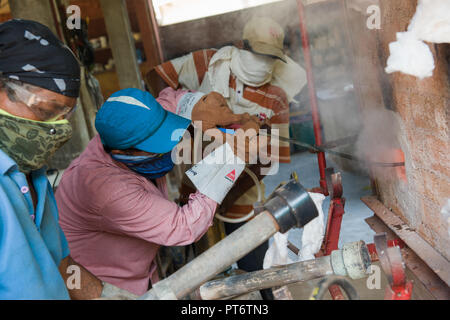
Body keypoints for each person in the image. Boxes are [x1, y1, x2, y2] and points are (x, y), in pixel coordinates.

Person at [148, 16, 306, 295]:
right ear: (240, 46)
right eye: (258, 55)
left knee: (255, 272)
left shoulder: (277, 96)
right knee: (204, 275)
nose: (263, 64)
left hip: (241, 197)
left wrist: (221, 195)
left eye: (271, 59)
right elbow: (154, 78)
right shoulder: (209, 64)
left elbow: (269, 161)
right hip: (193, 188)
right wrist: (185, 112)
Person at [55, 86, 262, 296]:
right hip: (108, 287)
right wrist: (234, 157)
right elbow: (184, 226)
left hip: (145, 267)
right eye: (156, 145)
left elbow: (171, 101)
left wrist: (202, 105)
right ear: (121, 151)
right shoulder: (107, 189)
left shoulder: (135, 120)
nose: (169, 148)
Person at [0, 19, 102, 299]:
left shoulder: (33, 176)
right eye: (45, 111)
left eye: (64, 116)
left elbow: (61, 265)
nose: (58, 130)